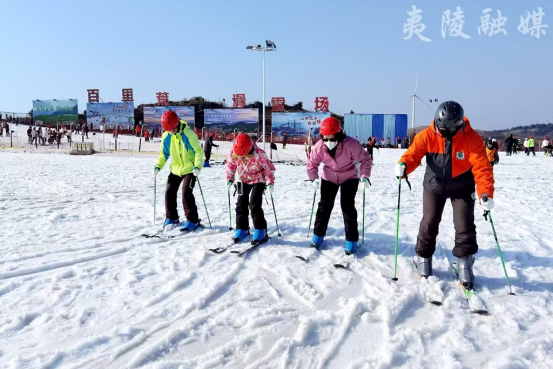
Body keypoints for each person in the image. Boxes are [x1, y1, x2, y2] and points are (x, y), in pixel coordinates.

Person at [395, 101, 494, 291]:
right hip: (434, 185)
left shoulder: (472, 139)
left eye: (447, 129)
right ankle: (423, 257)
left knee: (464, 224)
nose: (442, 131)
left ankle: (465, 262)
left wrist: (485, 194)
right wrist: (403, 165)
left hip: (462, 187)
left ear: (458, 126)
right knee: (429, 221)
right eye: (440, 127)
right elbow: (413, 155)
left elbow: (483, 169)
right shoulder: (427, 135)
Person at [306, 117, 372, 255]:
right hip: (329, 176)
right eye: (325, 139)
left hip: (349, 176)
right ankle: (318, 235)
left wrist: (365, 176)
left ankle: (351, 240)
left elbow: (365, 159)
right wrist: (313, 179)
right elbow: (312, 164)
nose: (328, 142)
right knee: (324, 206)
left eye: (331, 139)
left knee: (347, 206)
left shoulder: (351, 144)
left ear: (338, 134)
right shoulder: (319, 147)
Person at [154, 110, 204, 231]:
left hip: (190, 168)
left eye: (171, 129)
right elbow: (164, 154)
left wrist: (197, 166)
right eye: (167, 130)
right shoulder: (166, 136)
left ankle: (193, 220)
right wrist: (158, 166)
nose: (170, 132)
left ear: (176, 124)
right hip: (176, 168)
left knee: (186, 191)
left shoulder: (189, 134)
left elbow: (198, 151)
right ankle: (172, 217)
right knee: (169, 191)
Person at [226, 134, 276, 245]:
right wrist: (230, 178)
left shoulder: (259, 154)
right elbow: (231, 165)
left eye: (244, 156)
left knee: (254, 204)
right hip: (243, 178)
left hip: (259, 179)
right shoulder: (233, 152)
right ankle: (242, 228)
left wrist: (270, 183)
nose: (241, 158)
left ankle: (260, 230)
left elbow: (268, 169)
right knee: (240, 204)